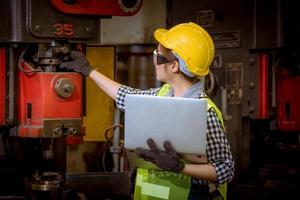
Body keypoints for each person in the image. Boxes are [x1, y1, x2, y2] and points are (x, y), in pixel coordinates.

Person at [60, 22, 234, 200]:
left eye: (157, 55)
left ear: (174, 66)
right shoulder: (162, 95)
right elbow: (126, 96)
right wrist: (88, 70)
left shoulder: (205, 112)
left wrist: (179, 167)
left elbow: (225, 169)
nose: (154, 59)